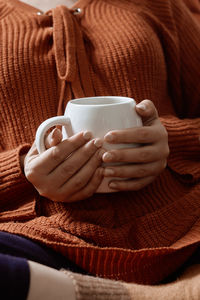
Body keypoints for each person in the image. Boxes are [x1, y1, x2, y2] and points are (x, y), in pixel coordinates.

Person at [0, 0, 200, 299]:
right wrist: (22, 172)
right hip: (35, 241)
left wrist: (171, 142)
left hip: (185, 226)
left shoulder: (159, 5)